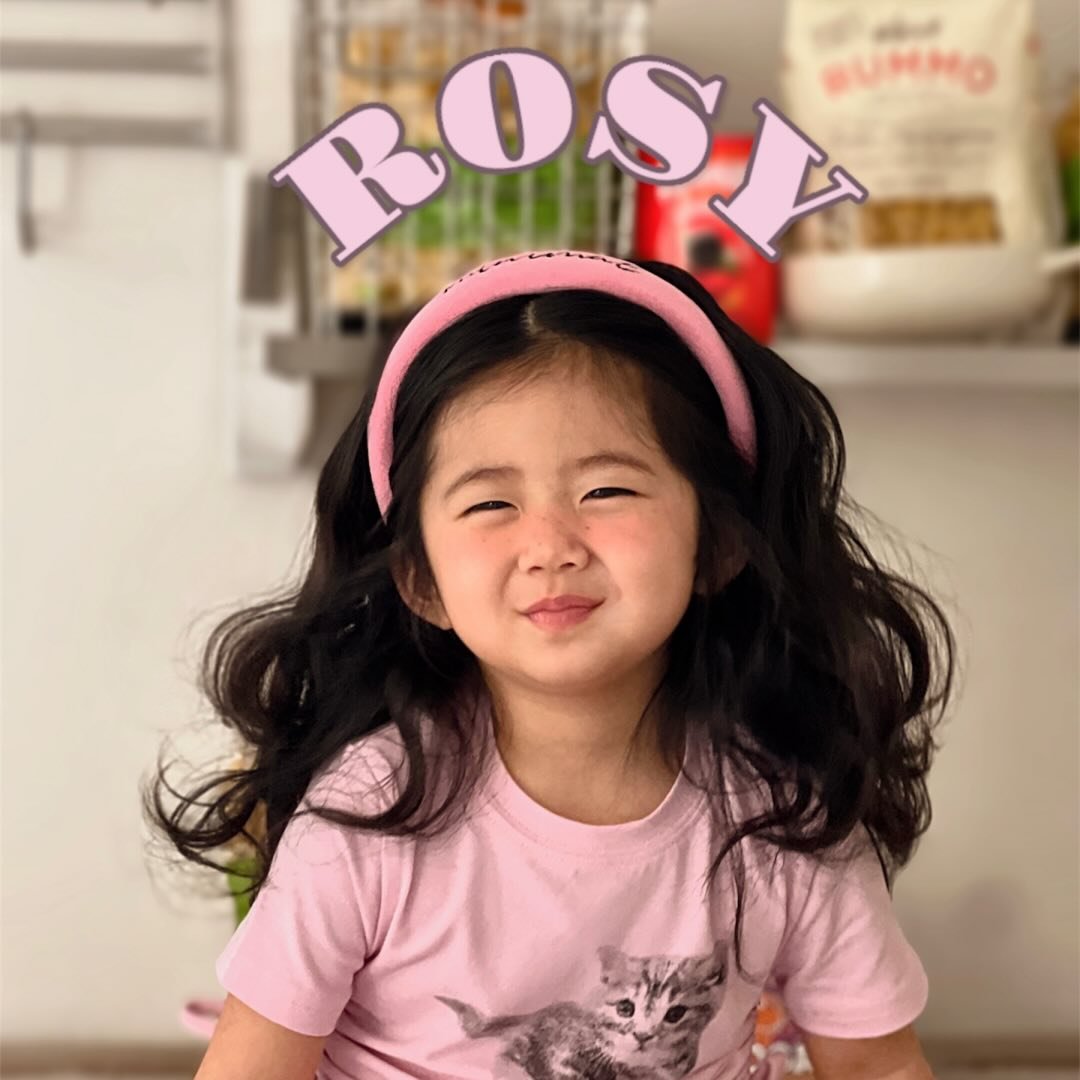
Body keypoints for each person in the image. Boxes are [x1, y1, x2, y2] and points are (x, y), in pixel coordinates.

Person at [145, 249, 956, 1080]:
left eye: (606, 491)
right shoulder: (370, 812)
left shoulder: (787, 816)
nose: (550, 547)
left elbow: (878, 1065)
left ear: (717, 542)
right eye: (491, 502)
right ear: (421, 581)